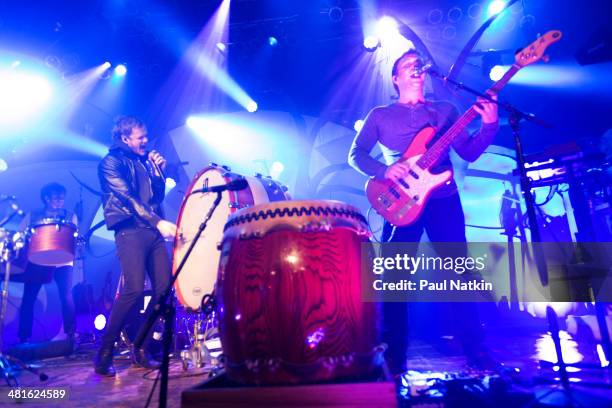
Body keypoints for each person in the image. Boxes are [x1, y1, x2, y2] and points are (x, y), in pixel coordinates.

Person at [348, 50, 499, 374]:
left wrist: (489, 125)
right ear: (395, 78)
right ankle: (394, 358)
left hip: (443, 198)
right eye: (408, 65)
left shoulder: (446, 112)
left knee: (460, 275)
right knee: (395, 278)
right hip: (400, 201)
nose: (416, 69)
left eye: (419, 65)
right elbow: (355, 154)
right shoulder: (381, 115)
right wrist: (383, 171)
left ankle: (476, 352)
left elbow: (469, 152)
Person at [94, 115, 177, 376]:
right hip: (130, 230)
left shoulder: (145, 162)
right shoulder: (110, 162)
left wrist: (159, 173)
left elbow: (157, 196)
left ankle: (141, 348)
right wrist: (158, 222)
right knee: (133, 289)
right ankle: (104, 353)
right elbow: (128, 198)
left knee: (164, 292)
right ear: (125, 138)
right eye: (140, 137)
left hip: (152, 230)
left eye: (146, 136)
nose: (145, 141)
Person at [18, 183, 77, 344]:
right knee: (28, 298)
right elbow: (20, 235)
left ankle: (70, 334)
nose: (60, 201)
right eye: (56, 198)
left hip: (63, 261)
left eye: (62, 198)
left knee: (66, 296)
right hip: (38, 260)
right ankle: (24, 338)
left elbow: (73, 238)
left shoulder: (70, 215)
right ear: (46, 198)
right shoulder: (32, 215)